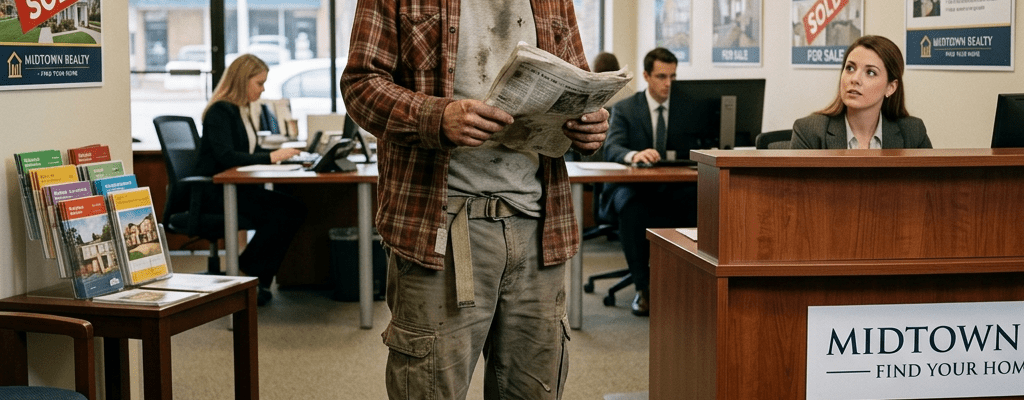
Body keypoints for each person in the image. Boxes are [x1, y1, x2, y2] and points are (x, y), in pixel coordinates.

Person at [339, 1, 608, 399]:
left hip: (538, 229)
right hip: (441, 228)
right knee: (430, 388)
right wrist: (436, 117)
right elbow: (360, 86)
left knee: (532, 391)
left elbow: (579, 84)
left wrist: (593, 122)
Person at [196, 54, 307, 306]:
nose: (263, 89)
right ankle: (249, 275)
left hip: (238, 189)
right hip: (215, 193)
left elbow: (243, 153)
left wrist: (274, 157)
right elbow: (226, 156)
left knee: (293, 208)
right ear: (242, 81)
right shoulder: (220, 111)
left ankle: (253, 276)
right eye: (259, 83)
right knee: (288, 211)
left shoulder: (242, 110)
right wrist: (271, 157)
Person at [599, 47, 698, 317]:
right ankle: (644, 289)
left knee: (702, 201)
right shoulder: (626, 109)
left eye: (673, 77)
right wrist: (634, 155)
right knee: (633, 208)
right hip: (634, 187)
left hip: (675, 187)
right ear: (646, 76)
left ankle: (689, 285)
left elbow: (701, 144)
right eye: (661, 76)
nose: (668, 84)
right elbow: (613, 148)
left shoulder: (687, 108)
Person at [791, 35, 932, 149]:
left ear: (891, 87)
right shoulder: (809, 131)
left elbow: (929, 184)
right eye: (850, 68)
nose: (855, 79)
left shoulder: (913, 132)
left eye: (870, 72)